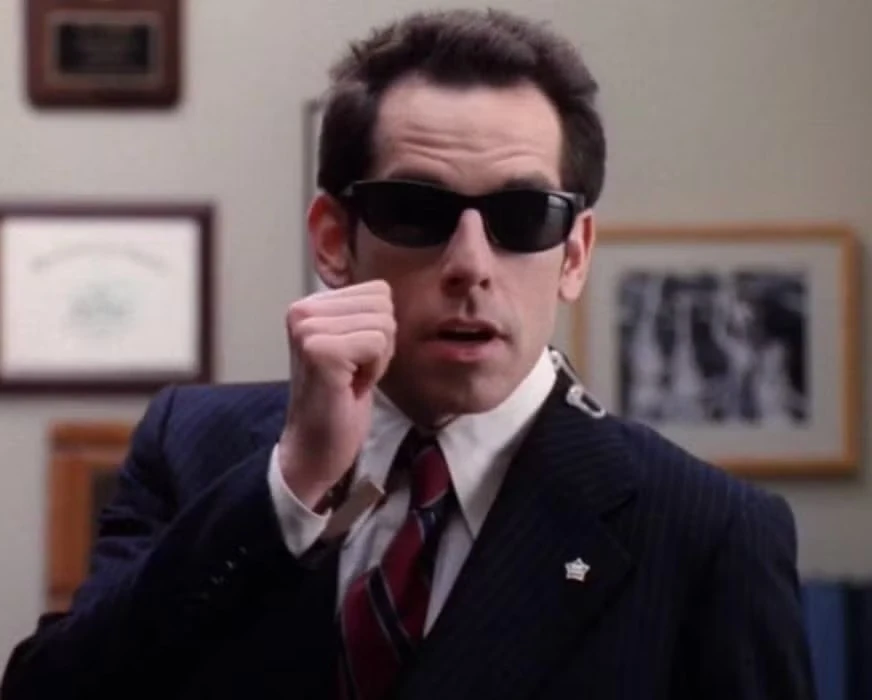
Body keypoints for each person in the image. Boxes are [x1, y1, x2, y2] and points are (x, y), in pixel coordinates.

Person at [2, 8, 815, 699]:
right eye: (417, 211)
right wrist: (289, 489)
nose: (471, 264)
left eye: (523, 216)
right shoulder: (192, 444)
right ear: (333, 240)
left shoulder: (708, 531)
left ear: (573, 253)